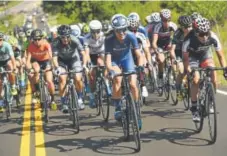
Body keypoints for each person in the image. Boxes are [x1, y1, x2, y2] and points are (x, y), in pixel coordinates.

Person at [182, 17, 227, 122]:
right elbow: (185, 59)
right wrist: (189, 70)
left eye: (206, 33)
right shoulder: (188, 39)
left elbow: (221, 56)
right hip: (192, 58)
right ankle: (194, 108)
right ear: (196, 32)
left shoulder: (213, 36)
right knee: (196, 79)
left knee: (214, 76)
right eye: (202, 34)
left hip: (206, 56)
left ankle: (211, 101)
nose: (205, 37)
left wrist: (225, 69)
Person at [105, 14, 143, 128]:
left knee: (133, 84)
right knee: (117, 79)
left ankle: (136, 109)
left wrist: (140, 66)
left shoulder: (131, 36)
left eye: (124, 29)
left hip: (127, 59)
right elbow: (107, 59)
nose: (122, 33)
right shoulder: (109, 39)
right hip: (114, 61)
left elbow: (138, 55)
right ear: (114, 30)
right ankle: (117, 107)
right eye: (118, 30)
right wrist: (110, 70)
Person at [52, 25, 87, 112]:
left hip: (74, 59)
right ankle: (64, 102)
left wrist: (85, 65)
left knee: (78, 78)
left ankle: (79, 98)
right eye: (63, 37)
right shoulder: (55, 42)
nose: (65, 39)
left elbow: (83, 53)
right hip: (61, 61)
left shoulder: (75, 39)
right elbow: (54, 58)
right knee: (62, 78)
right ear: (59, 37)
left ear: (70, 35)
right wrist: (57, 68)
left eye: (67, 37)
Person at [26, 29, 56, 106]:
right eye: (35, 39)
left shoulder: (46, 44)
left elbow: (50, 56)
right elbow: (28, 60)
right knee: (35, 72)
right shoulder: (30, 46)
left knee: (49, 81)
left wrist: (52, 66)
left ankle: (53, 99)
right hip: (36, 61)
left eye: (39, 39)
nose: (37, 41)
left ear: (42, 38)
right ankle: (36, 93)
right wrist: (28, 68)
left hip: (46, 61)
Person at [170, 15, 193, 100]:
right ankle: (178, 90)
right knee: (182, 70)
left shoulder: (194, 32)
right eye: (186, 27)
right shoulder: (178, 33)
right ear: (181, 27)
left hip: (189, 53)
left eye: (190, 26)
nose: (188, 29)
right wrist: (176, 60)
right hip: (179, 52)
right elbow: (172, 49)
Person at [0, 32, 17, 112]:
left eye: (0, 40)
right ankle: (1, 100)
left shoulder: (7, 45)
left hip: (7, 61)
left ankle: (13, 86)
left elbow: (12, 58)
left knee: (10, 69)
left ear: (2, 40)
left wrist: (14, 68)